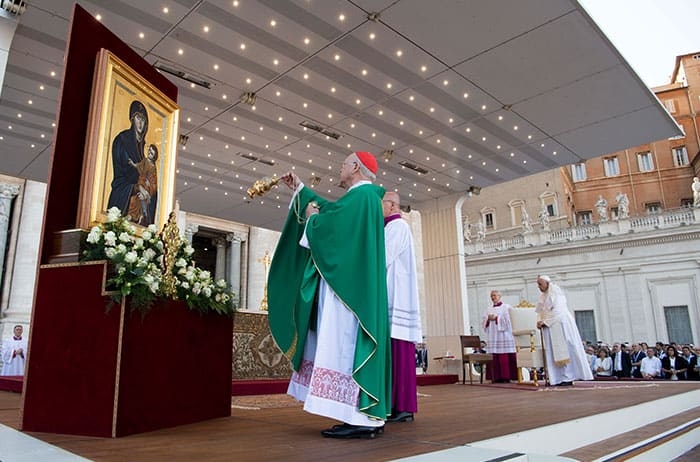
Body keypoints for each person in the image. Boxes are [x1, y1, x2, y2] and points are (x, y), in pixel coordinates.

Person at [268, 151, 390, 439]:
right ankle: (355, 415)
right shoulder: (363, 199)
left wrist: (311, 220)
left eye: (344, 164)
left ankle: (360, 419)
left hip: (349, 297)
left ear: (356, 168)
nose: (340, 168)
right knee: (344, 350)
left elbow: (331, 228)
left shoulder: (361, 198)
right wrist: (300, 189)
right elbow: (333, 213)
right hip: (354, 289)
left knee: (346, 348)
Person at [382, 192, 422, 423]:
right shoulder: (389, 227)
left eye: (382, 205)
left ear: (392, 205)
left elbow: (383, 256)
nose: (380, 209)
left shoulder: (397, 226)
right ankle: (395, 405)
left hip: (396, 298)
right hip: (390, 295)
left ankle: (404, 407)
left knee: (400, 353)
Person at [535, 275, 593, 386]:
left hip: (561, 325)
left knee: (565, 350)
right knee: (552, 353)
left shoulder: (556, 293)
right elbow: (541, 312)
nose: (538, 286)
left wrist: (545, 321)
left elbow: (559, 311)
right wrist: (539, 321)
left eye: (540, 284)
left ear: (547, 283)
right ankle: (556, 378)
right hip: (550, 327)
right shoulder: (543, 297)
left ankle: (568, 377)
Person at [108, 100, 149, 218]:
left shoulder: (141, 148)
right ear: (132, 119)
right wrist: (136, 187)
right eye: (138, 118)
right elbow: (122, 174)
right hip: (122, 195)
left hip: (138, 202)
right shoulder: (122, 140)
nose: (141, 123)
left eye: (143, 120)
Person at [483, 290, 517, 383]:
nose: (493, 297)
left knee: (504, 356)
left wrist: (497, 318)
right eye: (491, 296)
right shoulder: (488, 309)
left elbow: (510, 320)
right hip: (493, 335)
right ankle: (496, 377)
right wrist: (488, 319)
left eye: (494, 295)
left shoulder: (506, 307)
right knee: (494, 356)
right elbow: (484, 320)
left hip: (504, 335)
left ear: (499, 296)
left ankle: (507, 377)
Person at [127, 143, 158, 225]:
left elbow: (154, 181)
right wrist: (133, 164)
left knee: (143, 199)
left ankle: (141, 216)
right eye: (149, 151)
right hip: (141, 182)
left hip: (148, 187)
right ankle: (132, 215)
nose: (149, 153)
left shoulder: (153, 167)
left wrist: (149, 183)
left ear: (154, 157)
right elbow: (139, 166)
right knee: (135, 199)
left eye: (151, 153)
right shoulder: (145, 161)